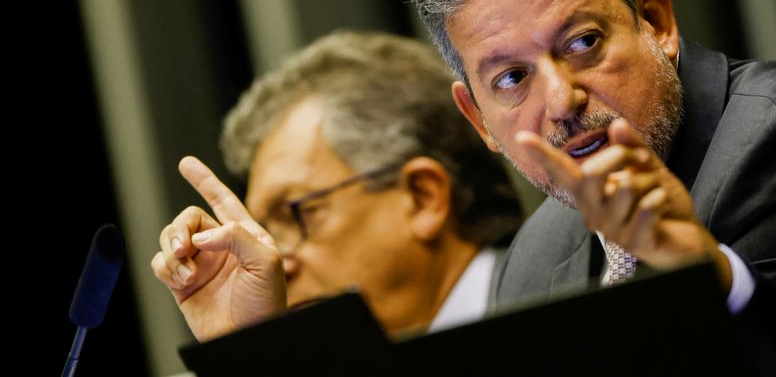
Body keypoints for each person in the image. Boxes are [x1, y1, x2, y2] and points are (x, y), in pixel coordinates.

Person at [409, 0, 776, 375]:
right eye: (511, 77)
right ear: (478, 118)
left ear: (656, 20)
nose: (561, 101)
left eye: (582, 43)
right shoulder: (532, 262)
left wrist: (708, 277)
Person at [151, 31, 523, 341]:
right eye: (264, 231)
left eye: (295, 213)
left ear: (422, 197)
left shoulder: (561, 306)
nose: (274, 261)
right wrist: (245, 350)